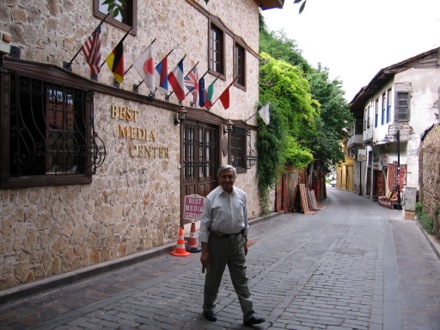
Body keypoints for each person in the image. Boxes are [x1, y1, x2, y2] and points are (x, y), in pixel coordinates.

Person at [199, 164, 265, 326]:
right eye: (224, 176)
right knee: (213, 277)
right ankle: (208, 307)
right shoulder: (211, 198)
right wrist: (205, 251)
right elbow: (204, 226)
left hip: (237, 242)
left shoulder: (241, 195)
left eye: (230, 177)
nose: (227, 179)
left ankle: (249, 314)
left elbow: (245, 220)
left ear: (235, 178)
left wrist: (245, 241)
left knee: (241, 278)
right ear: (219, 178)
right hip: (217, 243)